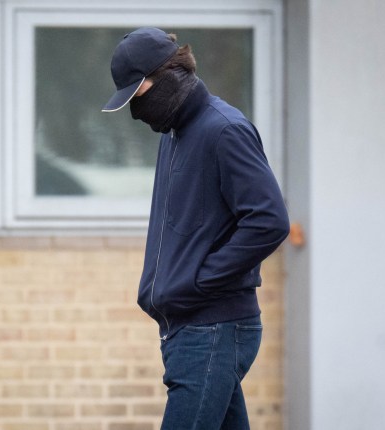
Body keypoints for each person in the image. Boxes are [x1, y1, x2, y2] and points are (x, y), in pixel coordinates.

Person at [102, 27, 290, 429]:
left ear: (169, 75)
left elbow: (269, 220)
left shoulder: (223, 130)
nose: (137, 109)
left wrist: (201, 281)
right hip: (191, 328)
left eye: (138, 94)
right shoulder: (175, 135)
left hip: (213, 328)